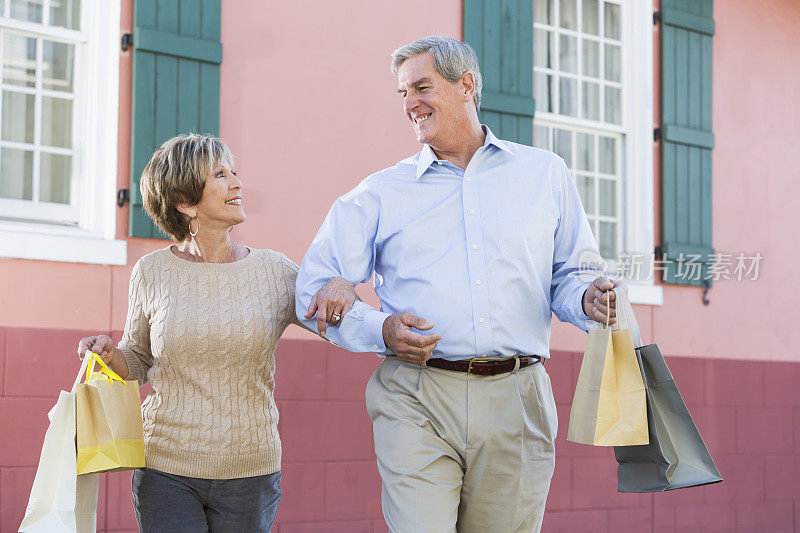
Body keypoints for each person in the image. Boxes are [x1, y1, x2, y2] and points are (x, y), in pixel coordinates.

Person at [296, 36, 623, 532]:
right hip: (417, 397)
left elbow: (569, 274)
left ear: (466, 84)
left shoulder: (544, 174)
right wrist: (381, 329)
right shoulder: (381, 192)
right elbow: (313, 288)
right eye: (403, 93)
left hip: (518, 398)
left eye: (422, 87)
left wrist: (588, 297)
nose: (410, 104)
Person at [76, 134, 355, 533]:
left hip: (250, 472)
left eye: (234, 172)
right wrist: (109, 355)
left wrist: (343, 284)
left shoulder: (273, 271)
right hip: (166, 469)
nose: (238, 183)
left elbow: (339, 322)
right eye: (220, 175)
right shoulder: (151, 272)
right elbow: (137, 360)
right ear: (185, 201)